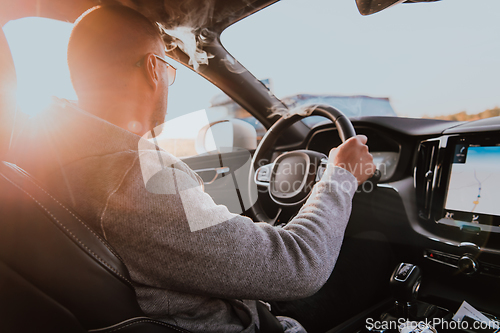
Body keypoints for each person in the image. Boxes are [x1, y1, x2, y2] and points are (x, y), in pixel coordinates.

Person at [10, 4, 375, 333]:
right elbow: (299, 265)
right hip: (246, 324)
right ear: (154, 68)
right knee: (373, 258)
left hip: (198, 304)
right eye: (169, 69)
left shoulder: (51, 159)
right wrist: (340, 175)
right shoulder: (135, 178)